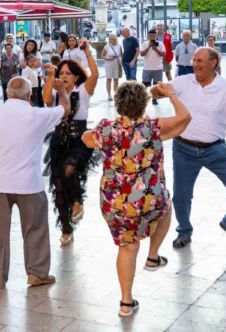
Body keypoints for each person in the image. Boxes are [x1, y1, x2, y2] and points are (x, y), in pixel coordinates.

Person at [82, 81, 191, 317]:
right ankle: (153, 255)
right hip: (148, 198)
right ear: (145, 105)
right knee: (166, 206)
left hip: (115, 201)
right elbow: (185, 117)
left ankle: (126, 303)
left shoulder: (105, 130)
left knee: (127, 247)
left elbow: (85, 138)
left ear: (118, 104)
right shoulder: (154, 128)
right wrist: (171, 94)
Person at [151, 47, 226, 249]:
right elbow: (155, 91)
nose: (195, 64)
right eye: (194, 60)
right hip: (184, 148)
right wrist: (158, 90)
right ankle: (184, 231)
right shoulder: (184, 81)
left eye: (200, 60)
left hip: (215, 149)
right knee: (181, 195)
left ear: (213, 63)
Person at [0, 76, 70, 289]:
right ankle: (37, 273)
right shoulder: (38, 114)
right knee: (35, 229)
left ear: (7, 93)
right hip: (30, 185)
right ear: (29, 95)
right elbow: (65, 109)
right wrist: (61, 90)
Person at [43, 41, 99, 246]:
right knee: (58, 189)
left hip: (79, 139)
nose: (64, 76)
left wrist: (87, 53)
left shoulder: (83, 90)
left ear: (76, 76)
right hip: (59, 140)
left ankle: (77, 201)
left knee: (70, 169)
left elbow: (95, 75)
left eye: (68, 73)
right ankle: (67, 229)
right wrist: (51, 76)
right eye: (62, 73)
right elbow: (47, 99)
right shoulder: (57, 90)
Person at [140, 30, 166, 105]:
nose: (152, 37)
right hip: (147, 68)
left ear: (156, 35)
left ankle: (154, 99)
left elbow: (163, 54)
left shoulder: (160, 44)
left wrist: (155, 49)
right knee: (144, 84)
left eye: (154, 35)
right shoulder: (145, 44)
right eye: (151, 36)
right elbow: (142, 54)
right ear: (148, 36)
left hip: (157, 68)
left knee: (156, 85)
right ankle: (143, 99)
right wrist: (148, 47)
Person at [101, 33, 123, 101]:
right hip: (109, 64)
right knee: (109, 79)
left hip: (117, 64)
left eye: (114, 37)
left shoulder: (119, 46)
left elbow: (121, 55)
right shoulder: (106, 47)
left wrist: (121, 63)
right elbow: (102, 56)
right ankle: (109, 95)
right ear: (109, 39)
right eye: (111, 37)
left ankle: (116, 94)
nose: (113, 38)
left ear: (116, 38)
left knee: (116, 79)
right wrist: (108, 58)